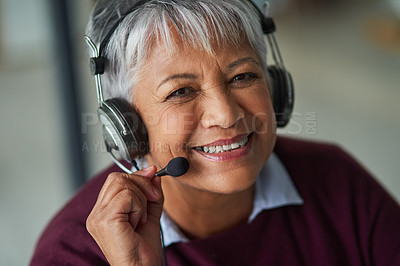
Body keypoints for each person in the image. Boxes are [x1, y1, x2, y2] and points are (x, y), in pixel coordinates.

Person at [31, 0, 400, 265]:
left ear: (275, 87)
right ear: (127, 125)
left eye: (242, 76)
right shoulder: (72, 251)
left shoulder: (337, 181)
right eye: (180, 91)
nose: (225, 114)